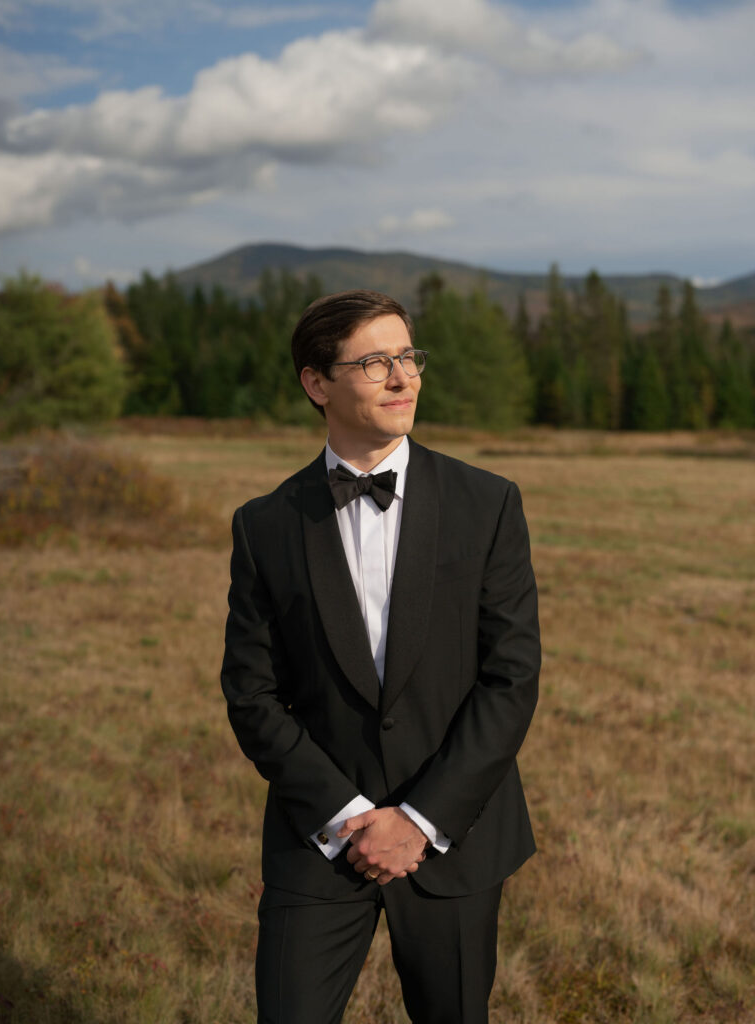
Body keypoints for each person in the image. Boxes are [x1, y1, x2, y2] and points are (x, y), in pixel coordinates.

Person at [221, 289, 540, 1024]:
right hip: (321, 832)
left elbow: (511, 677)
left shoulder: (488, 502)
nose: (402, 378)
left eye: (407, 357)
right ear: (316, 382)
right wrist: (348, 815)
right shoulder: (266, 524)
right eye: (374, 362)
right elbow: (251, 692)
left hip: (455, 832)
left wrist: (419, 820)